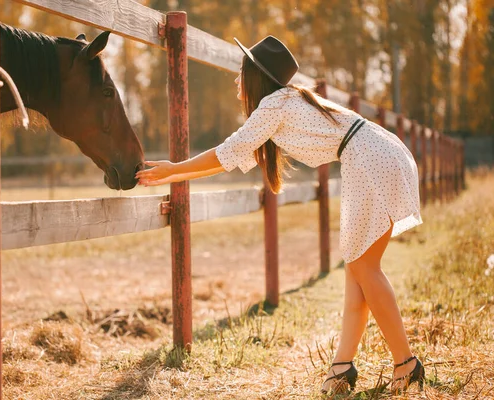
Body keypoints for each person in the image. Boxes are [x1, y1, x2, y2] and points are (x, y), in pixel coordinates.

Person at [136, 35, 425, 396]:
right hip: (376, 152)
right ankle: (342, 367)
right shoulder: (286, 101)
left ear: (257, 78)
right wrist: (175, 172)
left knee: (365, 269)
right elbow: (233, 155)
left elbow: (224, 155)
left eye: (241, 73)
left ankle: (406, 363)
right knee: (357, 269)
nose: (236, 81)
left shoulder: (274, 105)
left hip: (370, 157)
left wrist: (172, 170)